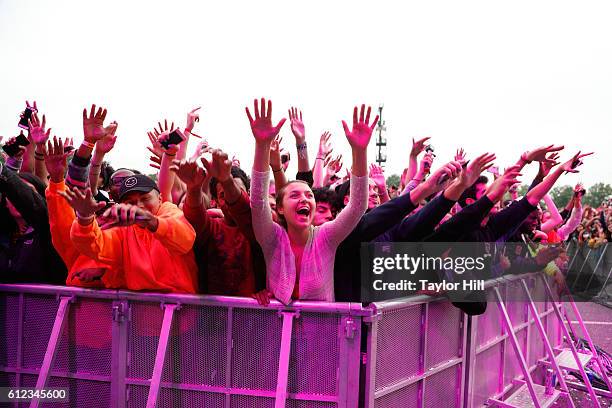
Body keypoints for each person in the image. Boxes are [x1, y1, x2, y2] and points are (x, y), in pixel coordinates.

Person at [248, 99, 376, 304]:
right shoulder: (271, 237)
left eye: (309, 195)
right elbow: (257, 201)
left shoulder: (326, 237)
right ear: (280, 208)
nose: (304, 199)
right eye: (294, 195)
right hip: (280, 334)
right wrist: (261, 145)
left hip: (323, 335)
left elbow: (357, 206)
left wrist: (359, 152)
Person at [61, 173, 198, 293]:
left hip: (179, 309)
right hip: (139, 310)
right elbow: (96, 247)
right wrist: (85, 218)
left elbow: (185, 239)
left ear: (160, 198)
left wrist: (151, 222)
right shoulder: (123, 228)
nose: (139, 206)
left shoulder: (169, 211)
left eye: (145, 198)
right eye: (130, 202)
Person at [171, 149, 266, 299]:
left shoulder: (260, 227)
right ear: (215, 201)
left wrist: (227, 181)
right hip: (212, 314)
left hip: (249, 314)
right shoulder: (211, 226)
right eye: (223, 195)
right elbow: (195, 218)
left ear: (247, 193)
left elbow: (242, 210)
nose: (229, 199)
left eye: (235, 191)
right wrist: (193, 188)